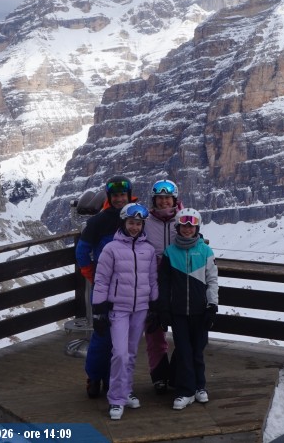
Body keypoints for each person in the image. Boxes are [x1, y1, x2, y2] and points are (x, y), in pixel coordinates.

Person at [92, 202, 158, 421]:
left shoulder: (148, 249)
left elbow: (152, 279)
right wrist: (98, 310)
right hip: (118, 308)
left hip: (141, 307)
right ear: (123, 222)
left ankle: (126, 391)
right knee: (119, 353)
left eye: (138, 224)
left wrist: (154, 305)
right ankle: (116, 399)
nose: (134, 227)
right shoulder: (111, 249)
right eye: (131, 223)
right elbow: (101, 280)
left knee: (130, 353)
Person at [75, 176, 135, 398]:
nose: (119, 199)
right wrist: (92, 275)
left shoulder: (135, 217)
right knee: (102, 334)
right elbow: (82, 251)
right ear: (109, 197)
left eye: (123, 195)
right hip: (104, 288)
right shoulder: (98, 221)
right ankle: (94, 377)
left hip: (127, 288)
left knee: (120, 338)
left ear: (129, 195)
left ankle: (112, 379)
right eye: (115, 195)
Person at [157, 208, 218, 411]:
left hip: (200, 311)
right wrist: (164, 310)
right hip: (179, 312)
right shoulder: (170, 252)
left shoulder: (206, 251)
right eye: (184, 225)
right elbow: (164, 284)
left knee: (197, 351)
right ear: (177, 227)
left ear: (197, 228)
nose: (187, 229)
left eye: (191, 226)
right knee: (183, 351)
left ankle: (200, 386)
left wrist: (212, 306)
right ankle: (186, 391)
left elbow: (212, 281)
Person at [142, 178, 181, 393]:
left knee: (182, 331)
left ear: (174, 199)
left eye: (167, 198)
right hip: (152, 284)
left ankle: (176, 374)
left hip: (177, 283)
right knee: (154, 331)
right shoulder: (145, 221)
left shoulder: (184, 219)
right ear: (154, 200)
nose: (164, 201)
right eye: (159, 198)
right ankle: (159, 376)